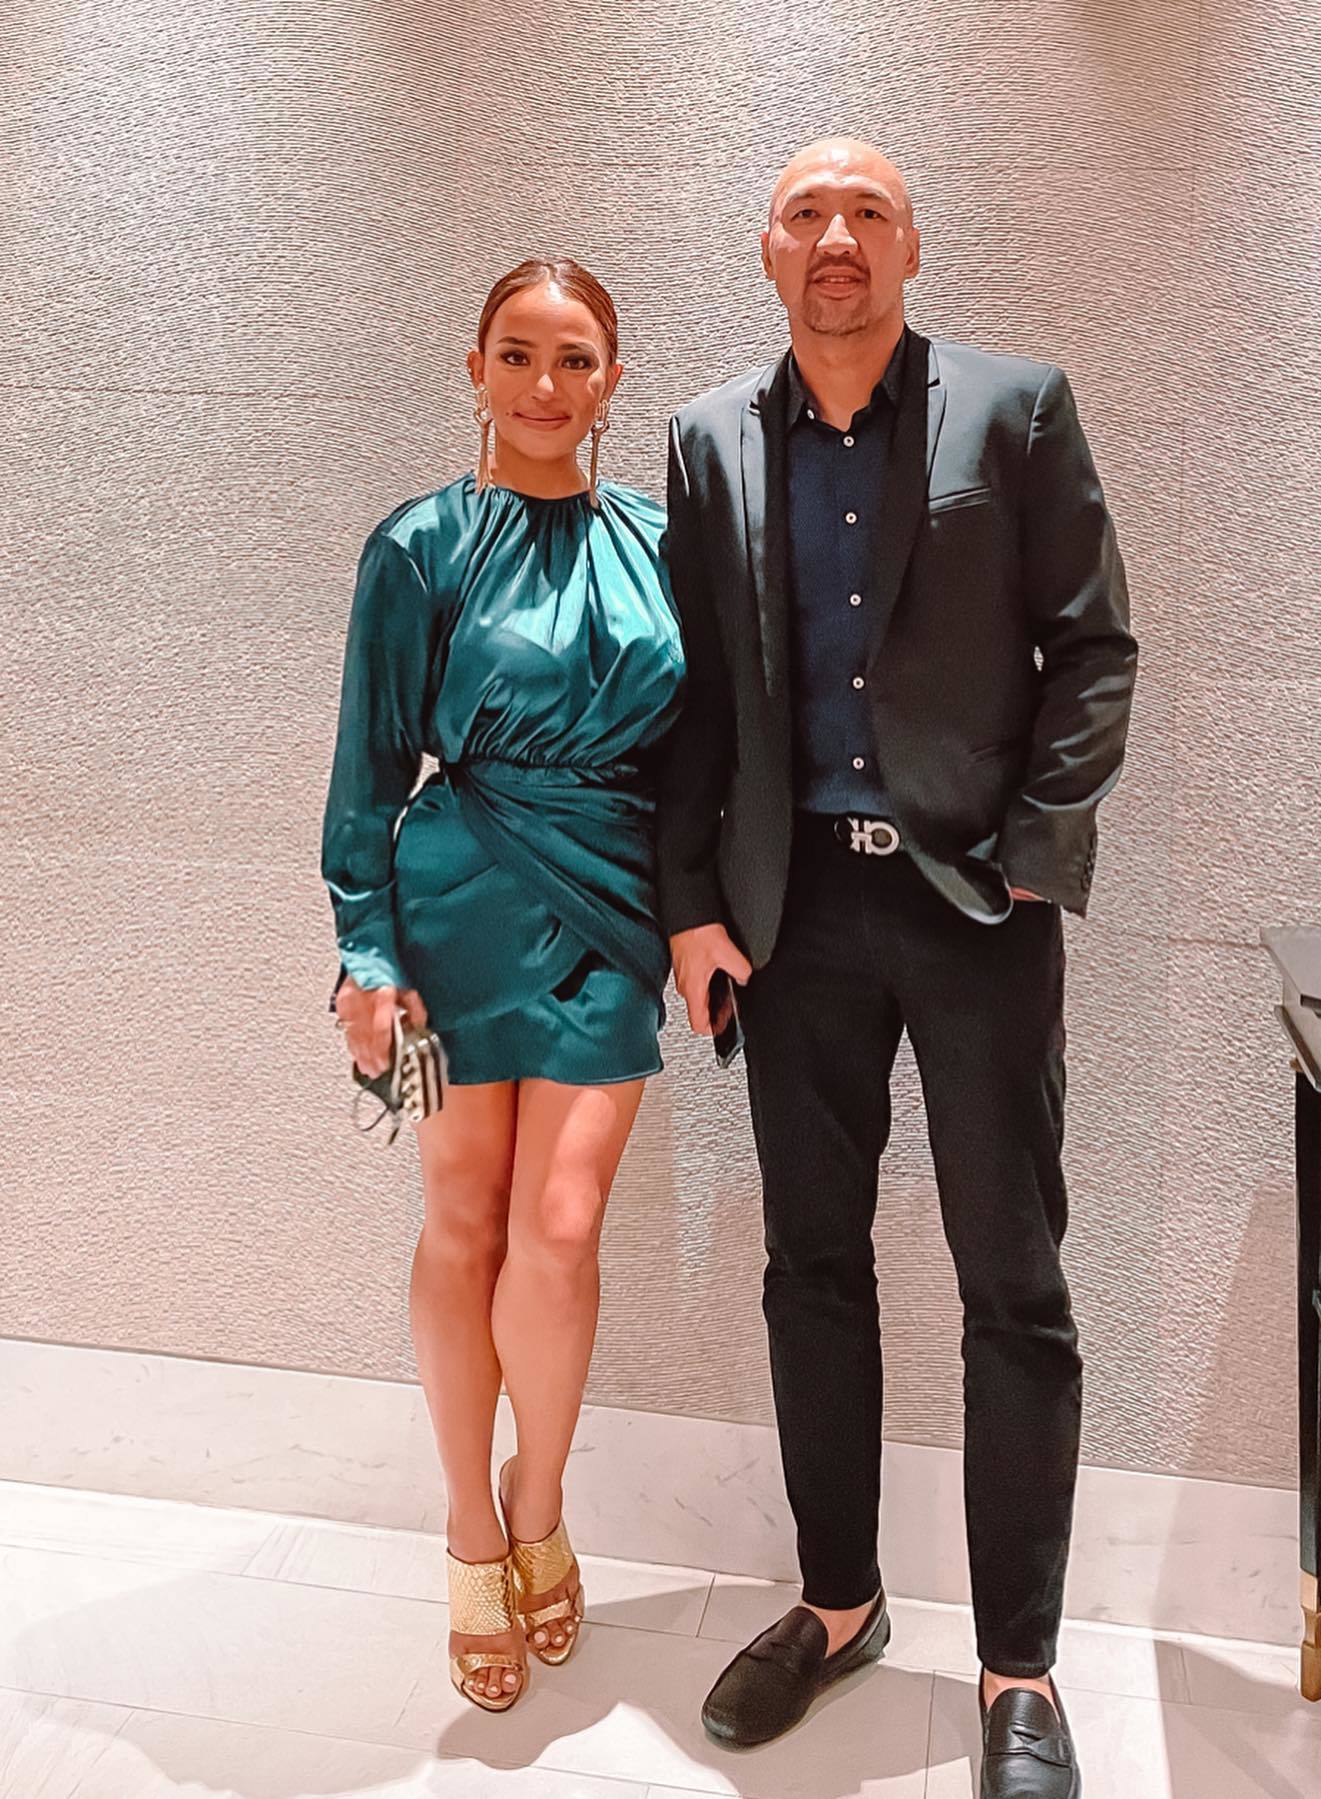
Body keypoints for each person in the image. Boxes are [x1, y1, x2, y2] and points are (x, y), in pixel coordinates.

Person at [657, 139, 1136, 1796]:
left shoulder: (1015, 410)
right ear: (768, 252)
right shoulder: (708, 438)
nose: (838, 237)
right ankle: (840, 1603)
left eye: (867, 212)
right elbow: (694, 690)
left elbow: (1093, 645)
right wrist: (689, 904)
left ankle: (1021, 1670)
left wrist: (1035, 852)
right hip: (792, 918)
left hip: (975, 913)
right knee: (812, 1266)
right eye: (808, 214)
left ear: (912, 246)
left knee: (1016, 1285)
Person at [322, 258, 683, 1713]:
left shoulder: (663, 541)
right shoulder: (417, 546)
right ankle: (476, 1537)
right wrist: (365, 951)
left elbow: (713, 753)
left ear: (612, 381)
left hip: (615, 910)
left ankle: (541, 1499)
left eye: (576, 358)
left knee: (562, 1222)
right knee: (462, 1216)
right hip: (453, 906)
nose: (546, 384)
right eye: (519, 355)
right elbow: (367, 767)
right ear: (473, 369)